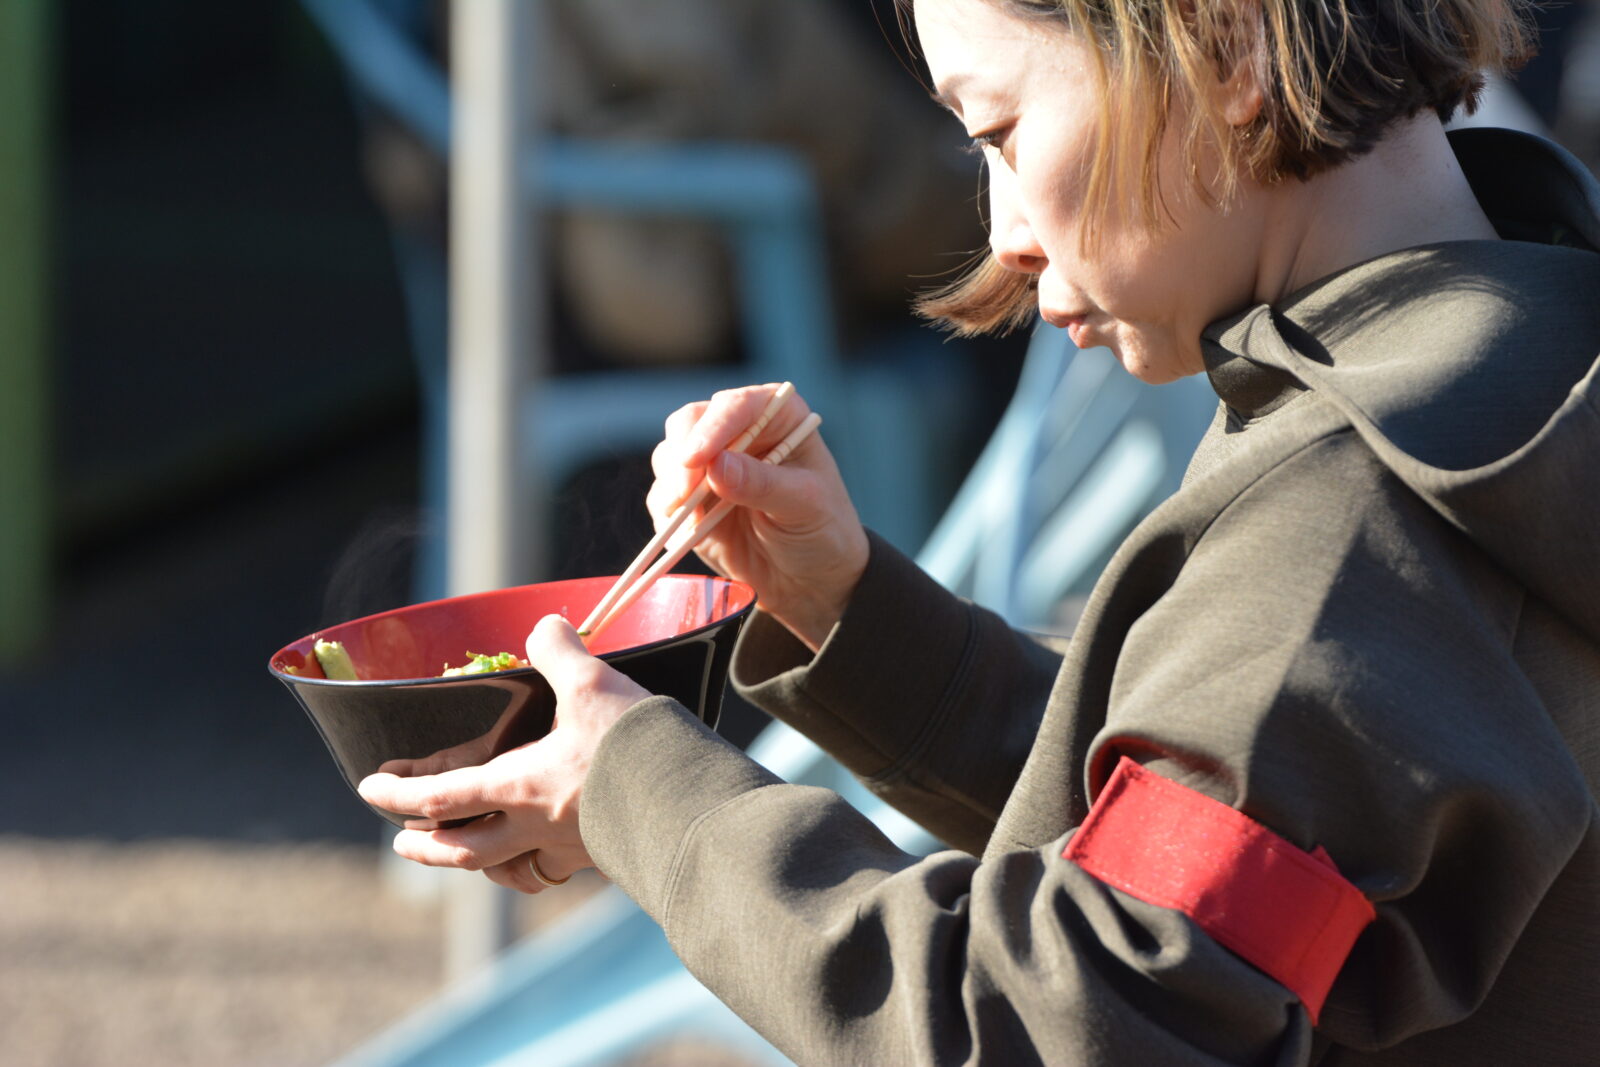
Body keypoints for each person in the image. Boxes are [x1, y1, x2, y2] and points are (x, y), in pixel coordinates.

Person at [357, 0, 1600, 1062]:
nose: (1002, 232)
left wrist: (640, 790)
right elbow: (1245, 823)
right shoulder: (1515, 375)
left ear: (1228, 46)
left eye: (999, 132)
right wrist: (855, 617)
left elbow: (1064, 1018)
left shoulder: (1344, 517)